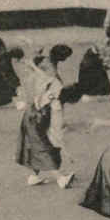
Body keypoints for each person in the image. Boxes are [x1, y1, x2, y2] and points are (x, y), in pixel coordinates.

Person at [16, 45, 75, 189]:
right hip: (36, 115)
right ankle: (60, 179)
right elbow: (47, 89)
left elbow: (40, 75)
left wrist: (32, 62)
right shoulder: (53, 80)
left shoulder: (45, 67)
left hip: (33, 113)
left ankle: (34, 176)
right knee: (42, 147)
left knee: (37, 145)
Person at [77, 10, 110, 102]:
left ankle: (86, 95)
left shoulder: (105, 34)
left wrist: (109, 12)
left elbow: (106, 23)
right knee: (102, 77)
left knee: (94, 80)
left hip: (86, 61)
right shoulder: (105, 47)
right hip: (90, 63)